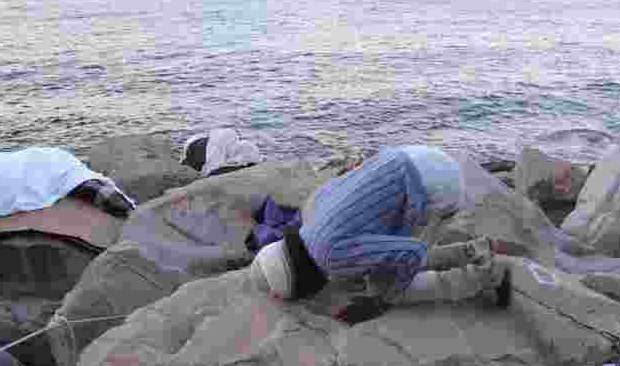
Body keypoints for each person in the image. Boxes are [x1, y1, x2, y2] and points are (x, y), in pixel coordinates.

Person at [247, 145, 512, 324]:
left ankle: (489, 275)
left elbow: (413, 252)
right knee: (380, 267)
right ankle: (475, 249)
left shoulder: (329, 256)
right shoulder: (310, 214)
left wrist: (383, 301)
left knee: (392, 284)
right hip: (417, 157)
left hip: (438, 186)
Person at [180, 128, 263, 178]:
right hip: (193, 146)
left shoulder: (234, 143)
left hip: (199, 142)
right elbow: (211, 172)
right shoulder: (219, 148)